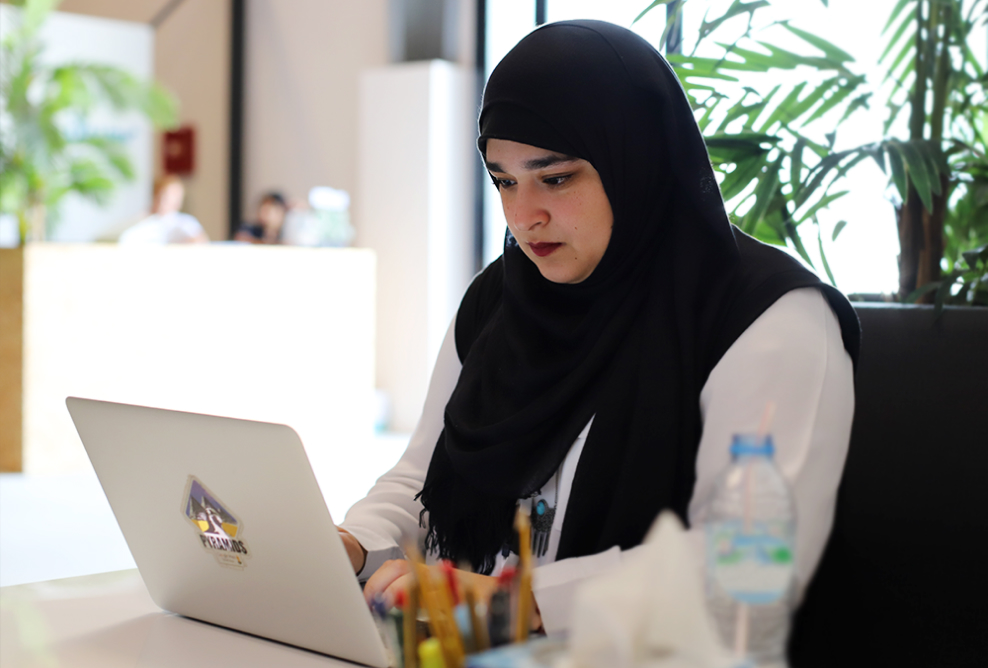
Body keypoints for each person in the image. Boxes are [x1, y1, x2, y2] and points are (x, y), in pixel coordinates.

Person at [337, 20, 861, 636]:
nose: (523, 217)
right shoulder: (501, 299)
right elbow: (421, 477)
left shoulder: (764, 317)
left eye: (555, 178)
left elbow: (748, 562)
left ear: (633, 159)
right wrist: (350, 544)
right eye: (503, 181)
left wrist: (522, 602)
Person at [118, 175, 209, 244]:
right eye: (162, 195)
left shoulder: (185, 222)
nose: (164, 200)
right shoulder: (143, 221)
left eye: (172, 196)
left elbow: (200, 242)